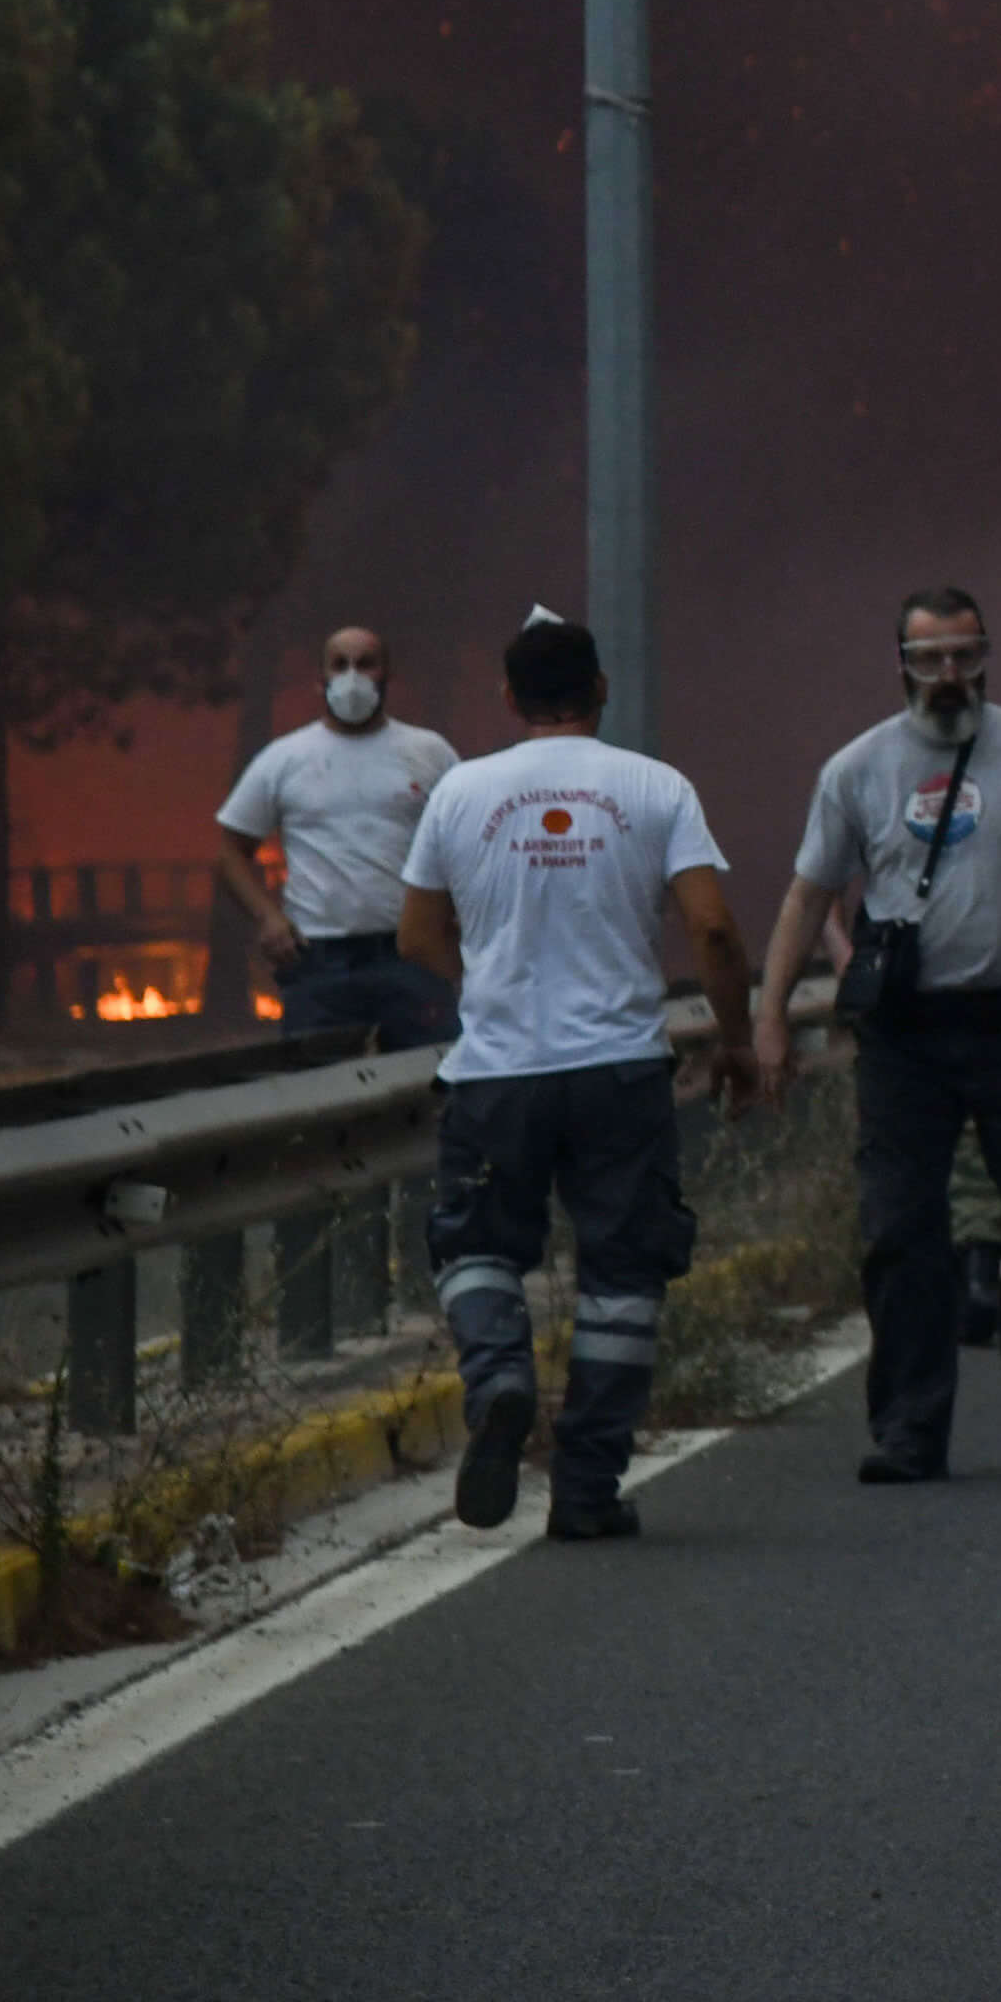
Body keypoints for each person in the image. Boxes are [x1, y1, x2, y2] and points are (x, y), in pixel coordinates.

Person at [755, 587, 1001, 1483]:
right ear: (902, 664)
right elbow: (808, 894)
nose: (949, 674)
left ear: (987, 654)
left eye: (964, 654)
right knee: (899, 1232)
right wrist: (771, 1016)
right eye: (930, 659)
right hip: (908, 1038)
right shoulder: (856, 768)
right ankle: (910, 1429)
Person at [396, 611, 755, 1544]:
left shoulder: (460, 793)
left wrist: (491, 983)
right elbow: (713, 932)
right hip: (620, 1073)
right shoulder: (654, 786)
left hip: (496, 1074)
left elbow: (416, 934)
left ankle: (501, 1378)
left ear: (510, 698)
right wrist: (739, 1041)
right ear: (601, 688)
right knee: (623, 1274)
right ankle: (588, 1486)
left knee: (475, 1245)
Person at [215, 624, 459, 1046]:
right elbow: (231, 850)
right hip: (318, 958)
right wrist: (268, 917)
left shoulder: (430, 752)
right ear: (320, 679)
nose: (352, 676)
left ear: (387, 675)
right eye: (339, 664)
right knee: (318, 1088)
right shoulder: (284, 758)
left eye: (365, 663)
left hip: (411, 952)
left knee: (432, 1083)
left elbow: (465, 841)